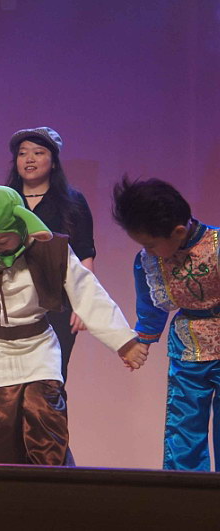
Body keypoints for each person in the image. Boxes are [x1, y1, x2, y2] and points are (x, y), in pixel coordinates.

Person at [0, 186, 146, 465]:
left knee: (46, 428)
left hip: (38, 349)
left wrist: (123, 341)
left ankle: (51, 491)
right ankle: (4, 492)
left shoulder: (52, 250)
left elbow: (88, 292)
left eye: (2, 240)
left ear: (20, 225)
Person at [112, 176, 220, 471]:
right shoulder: (149, 261)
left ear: (178, 231)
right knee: (184, 428)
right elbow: (151, 305)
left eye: (151, 244)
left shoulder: (216, 245)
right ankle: (184, 492)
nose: (147, 250)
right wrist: (142, 341)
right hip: (188, 349)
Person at [5, 127, 95, 384]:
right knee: (10, 382)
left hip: (58, 302)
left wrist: (84, 303)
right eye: (22, 153)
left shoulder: (72, 201)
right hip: (9, 302)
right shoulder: (4, 201)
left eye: (38, 152)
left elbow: (85, 254)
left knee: (50, 380)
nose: (29, 159)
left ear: (54, 162)